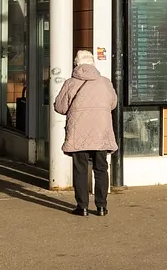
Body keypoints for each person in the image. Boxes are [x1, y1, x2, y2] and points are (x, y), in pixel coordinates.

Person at [53, 50, 117, 217]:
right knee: (101, 168)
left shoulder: (70, 83)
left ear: (77, 64)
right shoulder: (105, 82)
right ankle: (101, 207)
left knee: (80, 170)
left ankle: (82, 207)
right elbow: (113, 104)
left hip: (78, 132)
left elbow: (60, 107)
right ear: (93, 64)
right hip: (101, 132)